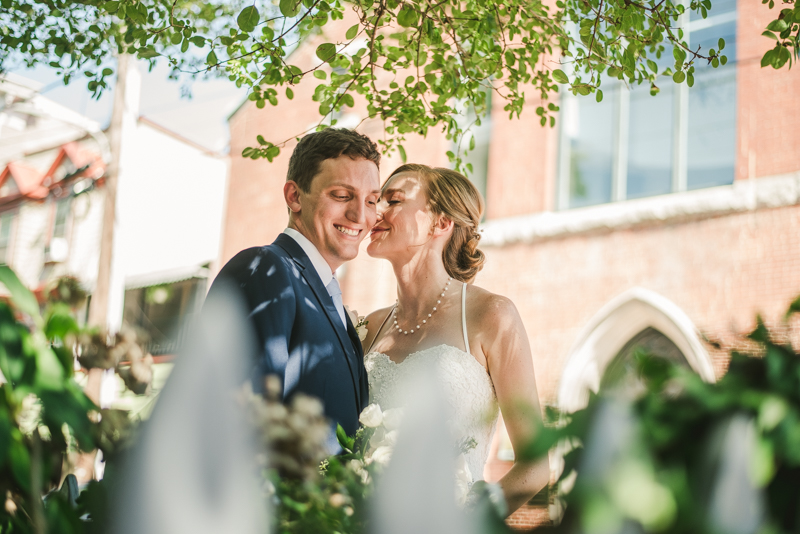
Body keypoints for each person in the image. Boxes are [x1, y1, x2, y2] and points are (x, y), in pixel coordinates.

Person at [361, 163, 549, 515]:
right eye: (377, 200)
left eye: (393, 200)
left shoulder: (492, 316)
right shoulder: (367, 329)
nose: (375, 211)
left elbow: (535, 467)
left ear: (441, 223)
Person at [206, 128, 381, 437]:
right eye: (342, 196)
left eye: (371, 201)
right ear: (295, 196)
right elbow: (238, 425)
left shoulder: (328, 297)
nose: (359, 215)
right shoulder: (264, 271)